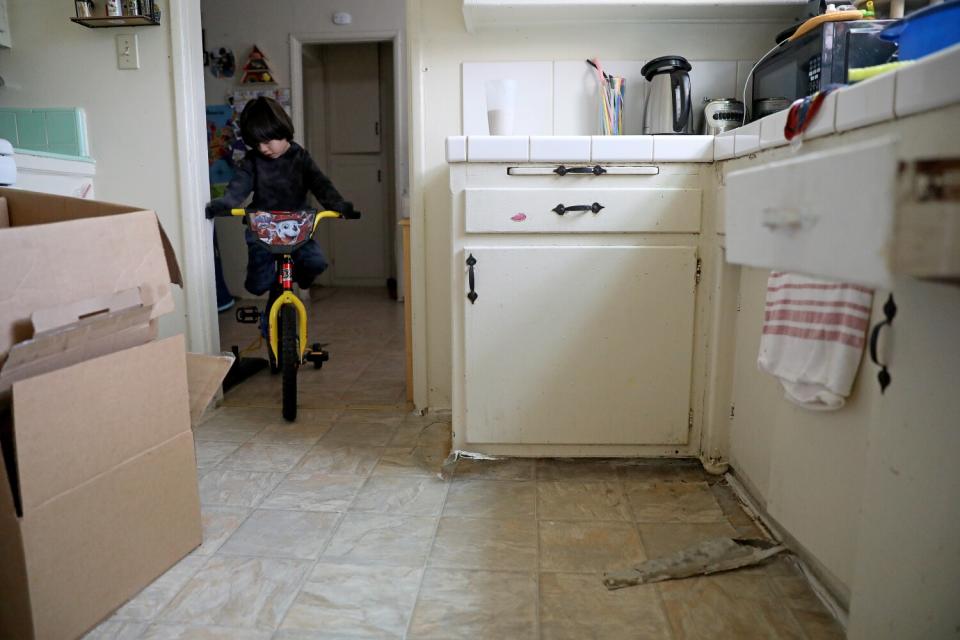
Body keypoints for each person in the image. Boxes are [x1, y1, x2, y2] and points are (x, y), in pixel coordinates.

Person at [205, 96, 356, 299]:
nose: (262, 149)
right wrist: (226, 203)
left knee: (315, 262)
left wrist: (338, 205)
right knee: (259, 283)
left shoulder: (300, 158)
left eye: (267, 142)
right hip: (263, 227)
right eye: (256, 145)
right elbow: (239, 185)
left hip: (297, 226)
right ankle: (264, 294)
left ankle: (298, 278)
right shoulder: (253, 161)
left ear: (282, 131)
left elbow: (321, 184)